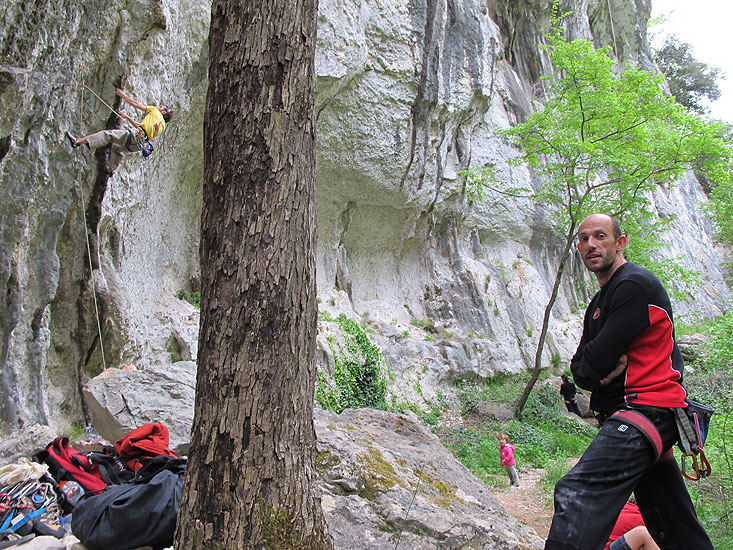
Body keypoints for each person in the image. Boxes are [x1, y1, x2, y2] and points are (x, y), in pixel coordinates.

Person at [544, 213, 713, 550]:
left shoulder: (633, 285)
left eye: (600, 236)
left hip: (646, 410)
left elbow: (594, 363)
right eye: (584, 239)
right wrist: (598, 368)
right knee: (672, 524)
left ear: (620, 243)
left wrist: (600, 367)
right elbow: (584, 370)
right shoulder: (599, 302)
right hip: (641, 416)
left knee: (577, 491)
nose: (591, 244)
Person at [65, 88, 173, 175]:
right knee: (117, 149)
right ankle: (111, 170)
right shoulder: (162, 127)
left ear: (163, 111)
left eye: (160, 106)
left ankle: (78, 142)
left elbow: (135, 103)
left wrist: (122, 95)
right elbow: (141, 128)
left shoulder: (154, 111)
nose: (157, 106)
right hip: (139, 144)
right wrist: (127, 117)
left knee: (108, 135)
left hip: (135, 136)